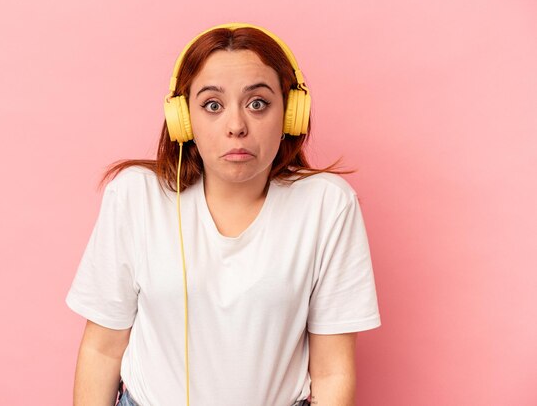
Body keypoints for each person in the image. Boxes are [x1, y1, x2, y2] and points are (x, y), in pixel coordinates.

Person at [66, 23, 381, 406]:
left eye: (258, 103)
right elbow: (102, 351)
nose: (236, 126)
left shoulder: (328, 206)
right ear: (184, 120)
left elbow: (332, 371)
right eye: (212, 105)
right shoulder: (136, 196)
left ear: (290, 115)